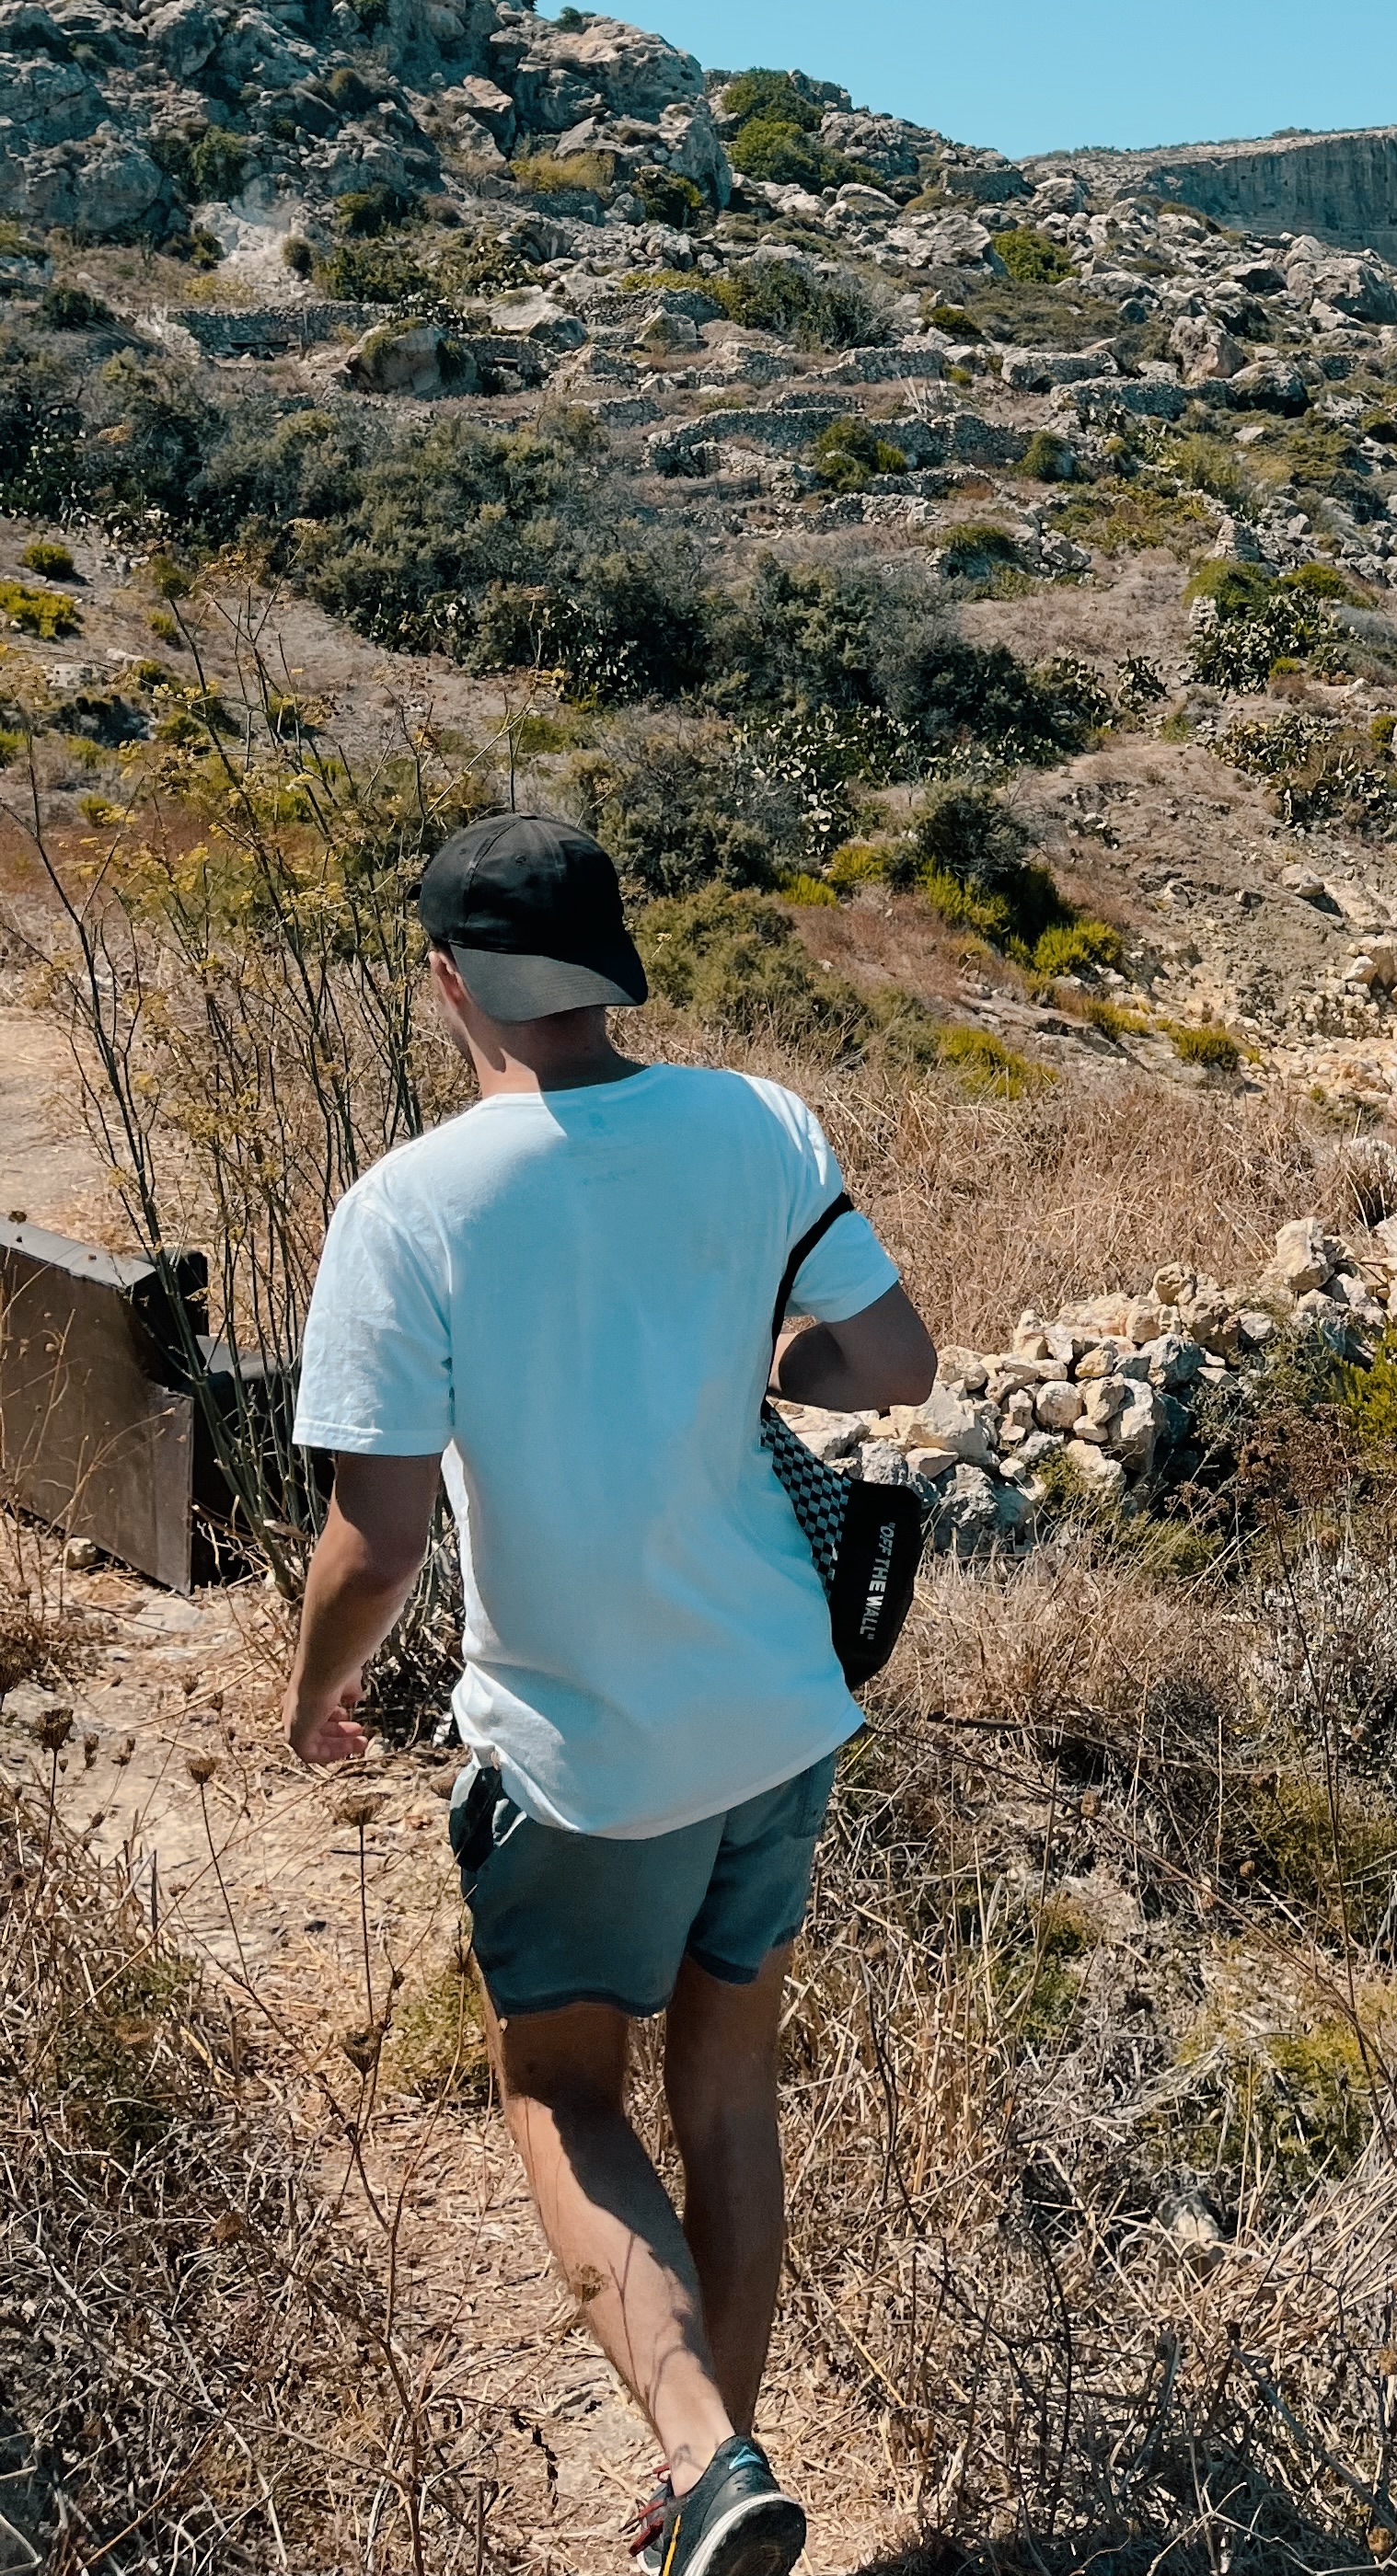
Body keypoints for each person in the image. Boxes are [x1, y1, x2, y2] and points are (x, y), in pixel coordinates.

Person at [281, 813, 936, 2576]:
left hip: (588, 1750)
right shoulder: (753, 1121)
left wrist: (312, 1696)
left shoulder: (408, 1208)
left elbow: (380, 1538)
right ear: (614, 966)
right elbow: (893, 1361)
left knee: (564, 2093)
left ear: (445, 983)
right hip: (780, 1708)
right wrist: (746, 1354)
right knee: (728, 2088)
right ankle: (712, 2501)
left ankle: (707, 2463)